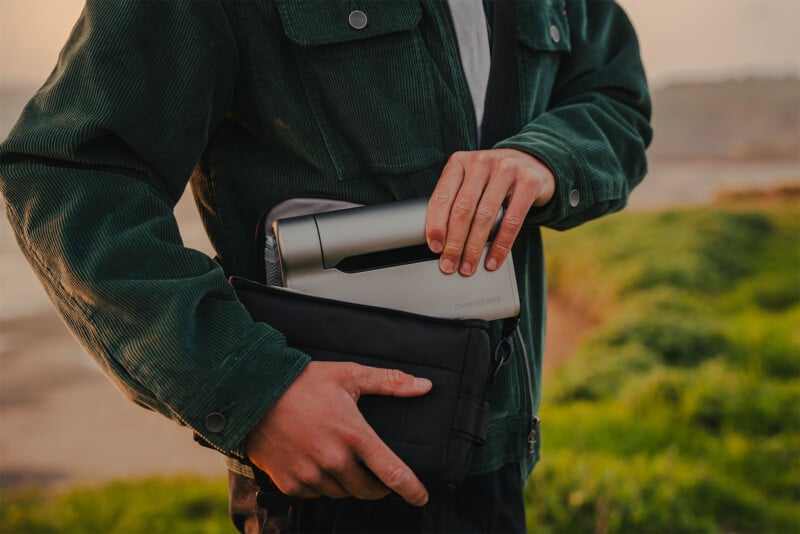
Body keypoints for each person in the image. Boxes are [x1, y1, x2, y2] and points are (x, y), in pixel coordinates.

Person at [0, 0, 651, 532]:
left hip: (502, 454)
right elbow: (69, 172)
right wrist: (252, 391)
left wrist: (545, 156)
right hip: (324, 478)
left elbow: (614, 97)